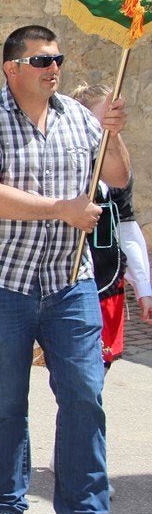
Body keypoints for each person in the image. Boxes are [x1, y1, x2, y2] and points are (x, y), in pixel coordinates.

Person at [0, 25, 133, 514]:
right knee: (6, 403)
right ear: (11, 68)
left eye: (57, 58)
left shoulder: (78, 119)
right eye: (41, 60)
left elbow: (117, 178)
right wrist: (61, 209)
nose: (53, 67)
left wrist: (113, 134)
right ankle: (5, 507)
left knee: (84, 397)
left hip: (68, 284)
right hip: (2, 284)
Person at [70, 83, 152, 367]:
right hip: (65, 281)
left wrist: (144, 287)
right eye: (103, 117)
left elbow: (127, 228)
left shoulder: (120, 172)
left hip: (105, 281)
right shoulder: (65, 164)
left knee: (95, 371)